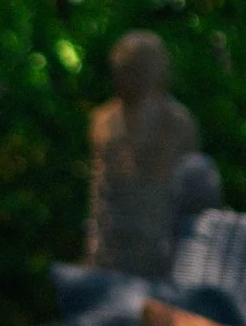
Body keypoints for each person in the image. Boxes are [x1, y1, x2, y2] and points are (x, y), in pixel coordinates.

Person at [86, 31, 215, 277]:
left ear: (158, 72)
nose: (128, 78)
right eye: (123, 69)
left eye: (138, 69)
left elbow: (195, 199)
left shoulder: (179, 123)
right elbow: (98, 195)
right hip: (108, 254)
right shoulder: (102, 121)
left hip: (161, 257)